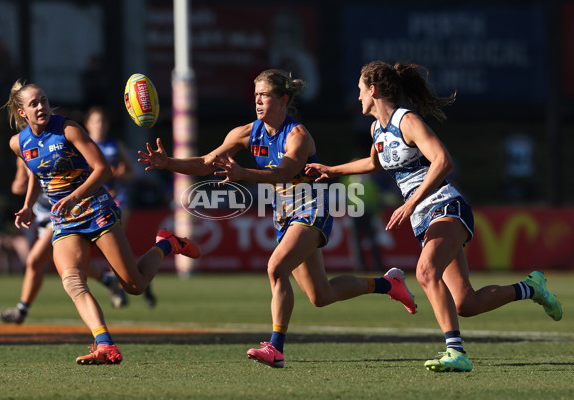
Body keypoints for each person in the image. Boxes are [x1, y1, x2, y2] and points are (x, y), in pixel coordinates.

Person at [138, 69, 417, 368]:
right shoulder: (246, 132)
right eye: (256, 94)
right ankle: (389, 284)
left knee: (275, 268)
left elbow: (284, 172)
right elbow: (207, 163)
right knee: (321, 295)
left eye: (265, 95)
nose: (258, 100)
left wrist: (243, 174)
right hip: (284, 215)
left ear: (283, 99)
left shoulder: (298, 135)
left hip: (311, 211)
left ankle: (276, 347)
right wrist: (168, 163)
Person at [304, 61, 563, 373]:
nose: (357, 96)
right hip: (424, 217)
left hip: (445, 206)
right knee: (466, 304)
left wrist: (412, 201)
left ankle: (456, 352)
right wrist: (331, 170)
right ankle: (532, 288)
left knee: (426, 272)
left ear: (373, 90)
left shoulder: (407, 120)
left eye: (360, 90)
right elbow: (374, 165)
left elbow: (443, 160)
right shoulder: (377, 129)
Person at [4, 80, 199, 365]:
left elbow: (103, 169)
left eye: (43, 100)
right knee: (72, 280)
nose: (41, 106)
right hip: (66, 220)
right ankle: (106, 345)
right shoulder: (18, 143)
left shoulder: (67, 128)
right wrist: (27, 206)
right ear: (22, 112)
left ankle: (167, 245)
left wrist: (74, 196)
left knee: (134, 285)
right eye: (33, 103)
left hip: (96, 210)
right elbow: (36, 172)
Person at [0, 157, 128, 325]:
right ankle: (108, 281)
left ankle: (21, 311)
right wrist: (19, 186)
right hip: (42, 216)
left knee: (34, 261)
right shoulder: (22, 149)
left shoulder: (55, 146)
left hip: (64, 212)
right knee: (73, 265)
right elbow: (18, 184)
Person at [85, 106, 156, 307]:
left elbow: (133, 173)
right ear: (88, 125)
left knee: (112, 247)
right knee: (111, 251)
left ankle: (118, 290)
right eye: (97, 121)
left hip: (117, 201)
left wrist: (122, 175)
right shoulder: (84, 146)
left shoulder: (116, 145)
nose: (101, 125)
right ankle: (141, 280)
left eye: (103, 121)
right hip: (91, 204)